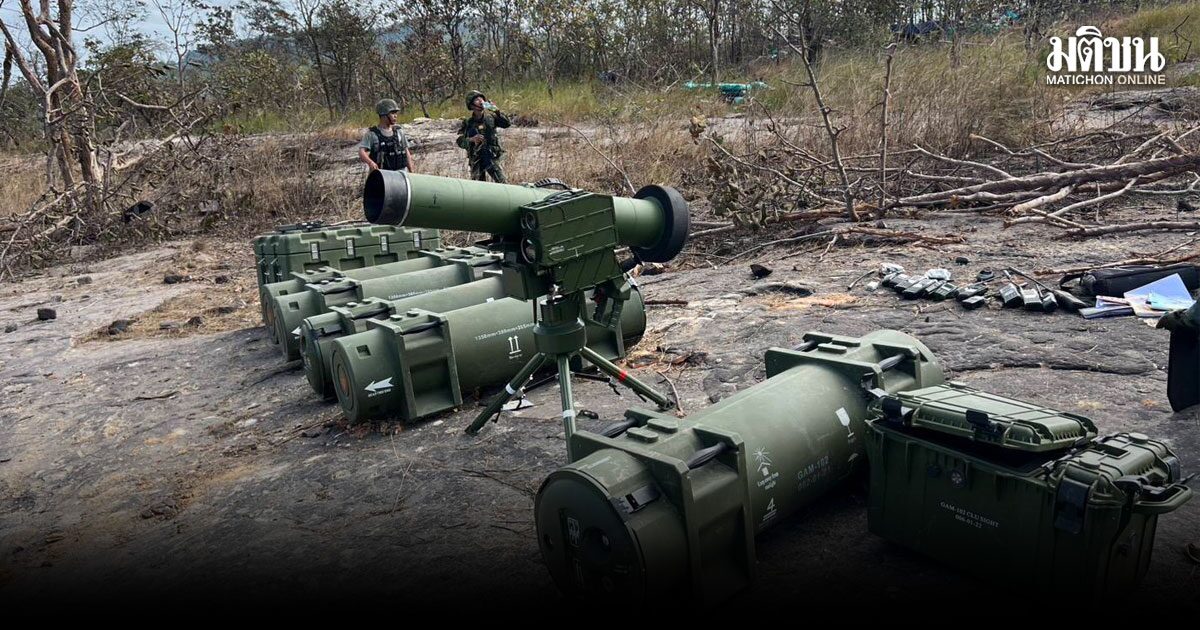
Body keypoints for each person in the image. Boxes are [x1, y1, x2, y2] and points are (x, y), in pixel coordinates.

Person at [456, 90, 510, 183]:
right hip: (476, 160)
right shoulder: (468, 123)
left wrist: (497, 111)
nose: (481, 101)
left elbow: (507, 124)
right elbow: (460, 141)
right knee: (477, 187)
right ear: (471, 105)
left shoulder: (491, 118)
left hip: (491, 157)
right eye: (477, 99)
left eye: (481, 98)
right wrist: (471, 140)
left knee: (503, 183)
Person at [359, 99, 414, 172]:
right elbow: (361, 152)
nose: (395, 116)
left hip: (401, 173)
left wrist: (411, 170)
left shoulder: (399, 132)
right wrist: (370, 162)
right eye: (392, 113)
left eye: (396, 113)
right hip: (382, 174)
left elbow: (406, 151)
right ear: (384, 115)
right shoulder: (372, 134)